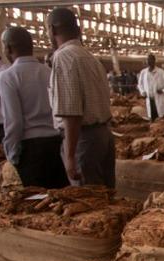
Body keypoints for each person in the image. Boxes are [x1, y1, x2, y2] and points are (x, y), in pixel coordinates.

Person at [47, 7, 114, 187]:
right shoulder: (90, 57)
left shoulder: (63, 57)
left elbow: (71, 111)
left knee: (90, 200)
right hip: (103, 135)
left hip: (84, 139)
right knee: (106, 196)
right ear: (78, 30)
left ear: (52, 30)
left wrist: (70, 156)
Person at [0, 27, 68, 189]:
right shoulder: (49, 72)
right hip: (57, 143)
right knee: (59, 197)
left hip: (31, 148)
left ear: (8, 48)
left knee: (37, 202)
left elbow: (13, 121)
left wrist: (12, 155)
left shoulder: (8, 77)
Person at [138, 54, 164, 122]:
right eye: (148, 60)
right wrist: (143, 92)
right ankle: (154, 128)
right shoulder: (143, 72)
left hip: (159, 98)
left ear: (154, 61)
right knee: (152, 117)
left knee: (161, 117)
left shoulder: (160, 72)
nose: (149, 61)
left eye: (151, 59)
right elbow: (140, 84)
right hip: (149, 98)